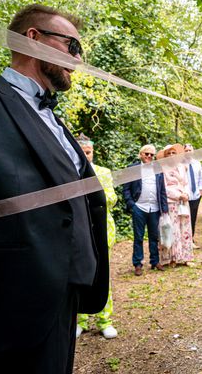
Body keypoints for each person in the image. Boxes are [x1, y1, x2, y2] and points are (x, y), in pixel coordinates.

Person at [0, 4, 109, 374]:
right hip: (8, 304)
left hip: (64, 293)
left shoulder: (54, 120)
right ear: (34, 39)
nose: (78, 58)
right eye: (72, 46)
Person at [75, 135, 118, 340]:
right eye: (82, 152)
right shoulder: (70, 172)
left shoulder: (103, 172)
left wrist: (94, 194)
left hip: (102, 231)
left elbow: (111, 198)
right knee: (81, 275)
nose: (86, 155)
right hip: (79, 233)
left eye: (88, 152)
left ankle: (105, 321)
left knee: (103, 276)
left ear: (93, 151)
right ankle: (80, 320)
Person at [123, 145, 169, 276]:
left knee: (154, 237)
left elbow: (162, 190)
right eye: (146, 154)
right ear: (141, 154)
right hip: (139, 207)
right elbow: (126, 189)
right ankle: (138, 264)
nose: (149, 156)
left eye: (151, 155)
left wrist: (164, 209)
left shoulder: (158, 169)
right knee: (138, 237)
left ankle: (155, 261)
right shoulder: (132, 168)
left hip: (154, 208)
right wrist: (132, 205)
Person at [157, 144, 194, 266]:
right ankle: (172, 257)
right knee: (173, 229)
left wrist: (186, 194)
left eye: (174, 153)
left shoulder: (182, 167)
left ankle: (186, 257)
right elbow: (164, 188)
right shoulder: (163, 169)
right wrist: (178, 195)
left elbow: (186, 183)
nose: (172, 155)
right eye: (169, 153)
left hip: (184, 202)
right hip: (171, 201)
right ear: (165, 155)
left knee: (185, 229)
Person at [184, 144, 202, 247]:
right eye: (186, 150)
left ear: (193, 151)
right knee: (185, 217)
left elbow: (200, 178)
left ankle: (191, 239)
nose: (188, 152)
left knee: (193, 217)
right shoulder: (181, 164)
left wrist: (201, 189)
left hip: (196, 195)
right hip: (185, 195)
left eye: (189, 150)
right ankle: (185, 240)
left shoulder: (197, 163)